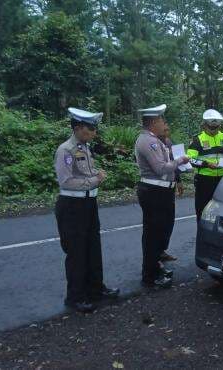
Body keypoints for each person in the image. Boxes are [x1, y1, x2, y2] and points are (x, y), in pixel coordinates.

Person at [54, 108, 119, 313]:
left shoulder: (85, 147)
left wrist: (93, 180)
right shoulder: (66, 150)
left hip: (89, 204)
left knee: (93, 248)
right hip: (72, 207)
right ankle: (75, 297)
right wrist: (95, 179)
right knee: (76, 252)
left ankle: (95, 289)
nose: (94, 132)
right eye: (91, 128)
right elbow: (67, 181)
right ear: (78, 128)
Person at [135, 104, 189, 288]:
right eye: (160, 120)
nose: (163, 123)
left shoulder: (155, 140)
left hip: (162, 191)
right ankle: (149, 276)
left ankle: (155, 268)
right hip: (154, 192)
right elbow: (160, 168)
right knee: (152, 235)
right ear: (152, 123)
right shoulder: (147, 141)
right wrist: (180, 160)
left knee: (159, 233)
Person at [187, 109, 223, 221]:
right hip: (204, 180)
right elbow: (190, 159)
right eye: (211, 128)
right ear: (205, 125)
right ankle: (202, 234)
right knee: (202, 210)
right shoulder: (198, 139)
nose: (213, 130)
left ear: (219, 126)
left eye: (216, 128)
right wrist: (206, 164)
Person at [157, 121, 179, 263]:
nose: (167, 129)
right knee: (158, 222)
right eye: (165, 127)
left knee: (169, 221)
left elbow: (175, 162)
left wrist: (179, 180)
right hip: (158, 187)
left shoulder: (169, 143)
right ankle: (156, 253)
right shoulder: (153, 144)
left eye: (168, 127)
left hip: (170, 185)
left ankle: (162, 250)